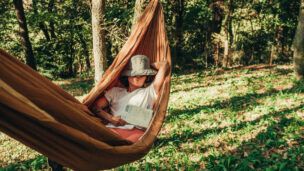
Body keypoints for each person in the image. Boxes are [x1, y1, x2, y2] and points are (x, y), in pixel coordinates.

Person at [93, 54, 169, 142]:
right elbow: (95, 107)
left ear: (147, 77)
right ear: (127, 76)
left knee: (118, 144)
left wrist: (148, 66)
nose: (138, 77)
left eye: (142, 74)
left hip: (135, 132)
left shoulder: (150, 91)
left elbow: (165, 65)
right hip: (110, 129)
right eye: (134, 74)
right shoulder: (115, 92)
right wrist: (110, 118)